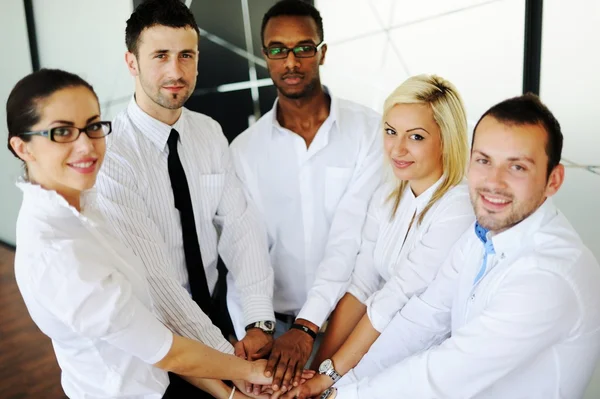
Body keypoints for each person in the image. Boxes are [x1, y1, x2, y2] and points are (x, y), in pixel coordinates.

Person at [303, 94, 600, 399]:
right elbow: (422, 318)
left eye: (518, 167)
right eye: (484, 161)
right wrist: (335, 382)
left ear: (554, 179)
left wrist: (337, 396)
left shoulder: (549, 275)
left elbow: (442, 376)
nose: (493, 182)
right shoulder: (480, 234)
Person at [5, 68, 274, 399]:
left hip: (168, 374)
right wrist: (247, 372)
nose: (86, 146)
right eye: (62, 132)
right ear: (23, 148)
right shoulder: (58, 253)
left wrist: (229, 392)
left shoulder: (88, 205)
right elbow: (165, 350)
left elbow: (151, 324)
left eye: (92, 126)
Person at [94, 1, 277, 396]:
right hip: (159, 337)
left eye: (186, 55)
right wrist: (227, 362)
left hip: (218, 315)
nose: (176, 72)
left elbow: (241, 227)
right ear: (132, 63)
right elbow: (157, 281)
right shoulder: (111, 154)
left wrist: (259, 323)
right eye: (160, 56)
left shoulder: (209, 132)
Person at [281, 74, 476, 399]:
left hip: (425, 369)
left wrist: (329, 376)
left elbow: (395, 298)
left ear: (446, 138)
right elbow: (362, 285)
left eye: (415, 136)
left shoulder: (458, 208)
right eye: (390, 131)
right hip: (370, 352)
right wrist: (314, 371)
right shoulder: (389, 194)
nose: (397, 148)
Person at [230, 1, 382, 393]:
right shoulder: (245, 151)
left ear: (323, 51)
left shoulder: (369, 132)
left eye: (304, 47)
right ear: (265, 57)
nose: (291, 61)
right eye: (278, 49)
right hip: (274, 329)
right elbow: (246, 251)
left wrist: (308, 327)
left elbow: (355, 239)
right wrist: (257, 329)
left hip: (349, 322)